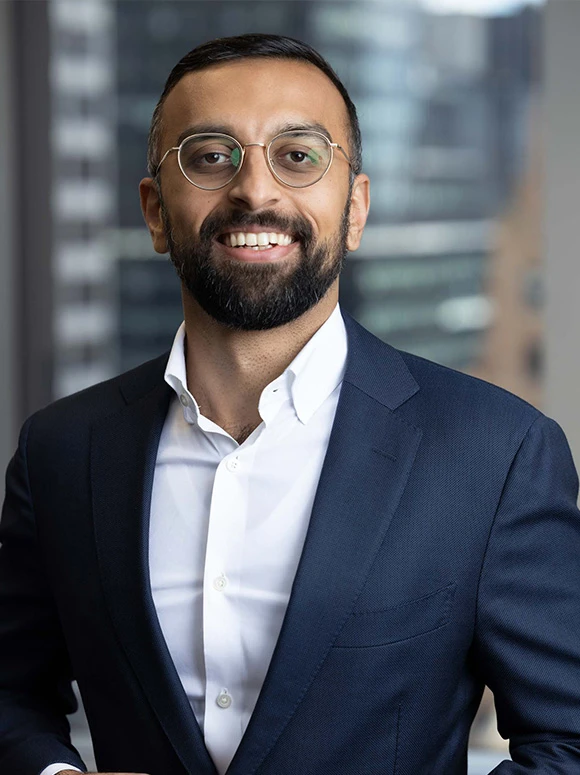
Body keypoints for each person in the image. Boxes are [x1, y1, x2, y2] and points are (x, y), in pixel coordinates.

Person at [0, 33, 579, 775]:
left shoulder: (495, 454)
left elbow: (567, 741)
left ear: (356, 208)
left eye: (298, 156)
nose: (256, 191)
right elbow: (10, 693)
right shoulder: (61, 450)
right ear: (153, 210)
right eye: (211, 156)